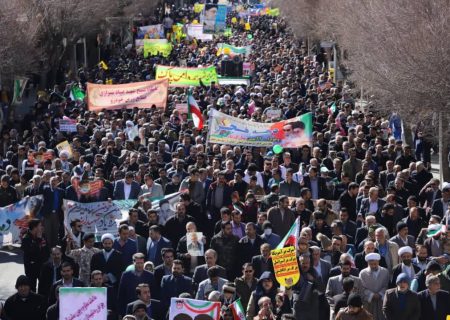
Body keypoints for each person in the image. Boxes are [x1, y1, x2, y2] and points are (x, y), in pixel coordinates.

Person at [118, 253, 156, 317]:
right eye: (138, 263)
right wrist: (120, 312)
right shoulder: (126, 275)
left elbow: (154, 293)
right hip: (131, 309)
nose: (140, 265)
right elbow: (121, 295)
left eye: (141, 263)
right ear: (133, 262)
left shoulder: (150, 276)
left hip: (145, 310)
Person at [21, 218, 50, 292]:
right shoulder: (26, 238)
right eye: (40, 226)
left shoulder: (42, 235)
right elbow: (31, 252)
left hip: (42, 266)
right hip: (31, 268)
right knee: (31, 288)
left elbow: (47, 250)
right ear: (34, 227)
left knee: (44, 287)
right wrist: (38, 240)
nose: (42, 227)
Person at [359, 253, 389, 320]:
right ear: (368, 263)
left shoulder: (385, 272)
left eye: (375, 264)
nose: (373, 266)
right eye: (371, 264)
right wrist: (372, 295)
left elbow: (386, 286)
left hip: (381, 301)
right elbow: (362, 288)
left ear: (378, 262)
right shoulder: (363, 273)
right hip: (368, 303)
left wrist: (380, 294)